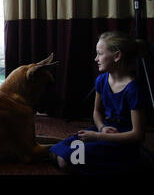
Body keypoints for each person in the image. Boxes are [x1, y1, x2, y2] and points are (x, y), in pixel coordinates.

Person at [49, 31, 147, 175]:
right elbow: (97, 112)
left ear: (117, 56)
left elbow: (138, 135)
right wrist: (101, 128)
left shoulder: (133, 90)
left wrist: (98, 137)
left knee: (66, 159)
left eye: (100, 54)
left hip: (122, 142)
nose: (96, 59)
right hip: (102, 131)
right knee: (56, 149)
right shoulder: (101, 80)